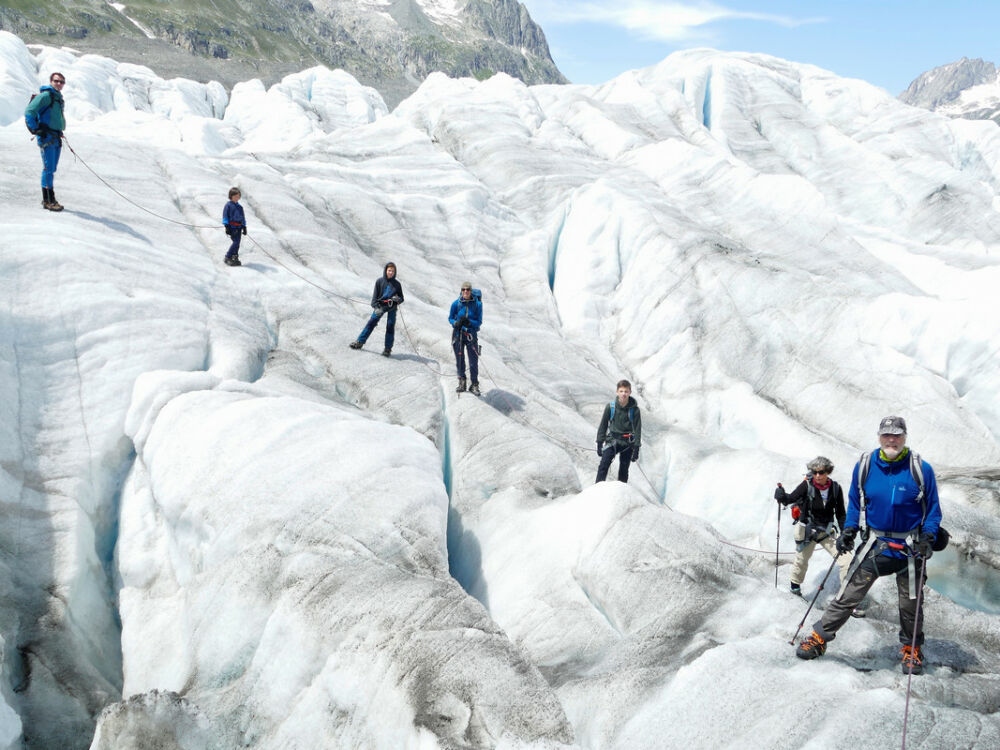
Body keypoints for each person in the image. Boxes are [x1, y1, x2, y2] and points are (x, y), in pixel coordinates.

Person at [796, 416, 942, 675]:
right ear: (879, 437)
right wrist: (850, 528)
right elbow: (854, 502)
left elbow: (933, 510)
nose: (891, 439)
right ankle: (820, 637)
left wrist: (928, 536)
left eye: (896, 434)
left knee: (911, 602)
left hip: (910, 545)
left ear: (904, 437)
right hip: (876, 542)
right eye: (887, 435)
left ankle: (912, 649)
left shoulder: (921, 469)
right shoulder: (865, 466)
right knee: (848, 594)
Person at [775, 457, 850, 596]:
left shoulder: (835, 488)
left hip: (826, 530)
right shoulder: (806, 486)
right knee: (801, 561)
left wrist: (845, 533)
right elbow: (790, 499)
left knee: (847, 560)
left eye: (821, 472)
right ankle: (795, 587)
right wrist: (781, 495)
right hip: (807, 530)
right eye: (814, 472)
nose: (817, 476)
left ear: (828, 472)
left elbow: (840, 514)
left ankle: (848, 597)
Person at [24, 71, 67, 211]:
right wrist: (36, 130)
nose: (59, 84)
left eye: (61, 82)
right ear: (51, 81)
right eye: (56, 81)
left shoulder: (57, 97)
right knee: (48, 169)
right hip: (47, 137)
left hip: (55, 136)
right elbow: (29, 111)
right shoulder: (46, 96)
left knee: (52, 168)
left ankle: (49, 199)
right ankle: (48, 200)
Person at [349, 262, 404, 356]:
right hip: (380, 306)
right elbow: (374, 297)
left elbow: (402, 298)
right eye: (389, 270)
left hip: (392, 307)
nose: (391, 272)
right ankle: (359, 342)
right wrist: (375, 307)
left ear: (395, 272)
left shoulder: (397, 284)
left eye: (392, 271)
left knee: (390, 326)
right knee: (371, 323)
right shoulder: (379, 281)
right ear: (386, 271)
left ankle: (387, 349)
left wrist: (398, 299)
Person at [596, 380, 641, 483]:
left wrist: (637, 448)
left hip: (627, 443)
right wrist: (599, 442)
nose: (623, 394)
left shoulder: (635, 410)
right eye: (621, 391)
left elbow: (638, 429)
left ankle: (622, 494)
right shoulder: (610, 407)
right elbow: (603, 425)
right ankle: (597, 489)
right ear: (617, 392)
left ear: (630, 392)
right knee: (603, 465)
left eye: (626, 391)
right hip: (612, 440)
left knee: (624, 470)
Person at [449, 281, 483, 395]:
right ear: (461, 291)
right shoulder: (456, 304)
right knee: (460, 359)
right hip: (458, 334)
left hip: (471, 335)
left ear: (471, 291)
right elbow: (450, 318)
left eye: (467, 289)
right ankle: (462, 381)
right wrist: (456, 323)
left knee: (473, 361)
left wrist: (469, 322)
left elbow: (479, 321)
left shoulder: (478, 305)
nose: (465, 292)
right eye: (463, 289)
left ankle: (474, 384)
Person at [222, 187, 247, 266]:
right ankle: (228, 256)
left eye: (238, 196)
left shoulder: (240, 207)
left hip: (239, 228)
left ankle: (235, 256)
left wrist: (244, 226)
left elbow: (242, 217)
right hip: (232, 227)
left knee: (238, 243)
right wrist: (226, 226)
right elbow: (225, 216)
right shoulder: (228, 205)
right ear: (231, 196)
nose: (237, 198)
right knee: (235, 242)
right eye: (235, 196)